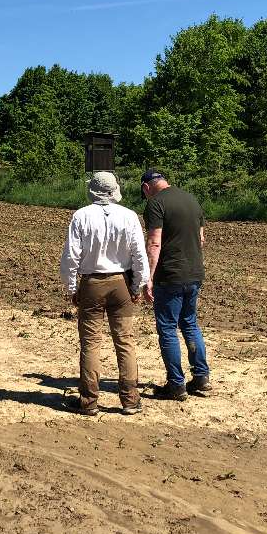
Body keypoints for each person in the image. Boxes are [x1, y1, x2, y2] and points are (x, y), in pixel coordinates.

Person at [59, 171, 150, 417]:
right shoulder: (129, 216)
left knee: (90, 343)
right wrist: (137, 286)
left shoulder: (81, 216)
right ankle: (130, 400)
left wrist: (71, 287)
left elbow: (71, 256)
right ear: (114, 190)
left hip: (92, 283)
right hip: (121, 282)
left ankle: (89, 402)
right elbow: (139, 255)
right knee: (125, 342)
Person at [141, 169, 210, 400]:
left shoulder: (156, 204)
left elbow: (154, 243)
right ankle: (201, 378)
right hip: (194, 272)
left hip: (170, 275)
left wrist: (148, 277)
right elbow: (201, 239)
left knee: (168, 328)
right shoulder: (191, 199)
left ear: (147, 187)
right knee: (190, 323)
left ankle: (176, 384)